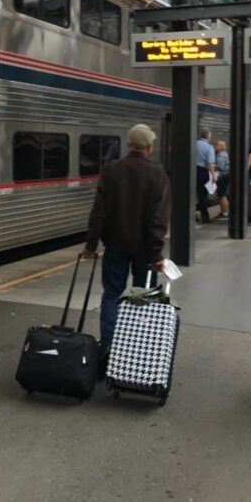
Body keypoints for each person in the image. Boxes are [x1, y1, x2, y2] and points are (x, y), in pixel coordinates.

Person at [83, 124, 171, 366]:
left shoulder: (112, 170)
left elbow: (98, 213)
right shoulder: (157, 175)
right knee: (142, 297)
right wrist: (156, 255)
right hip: (146, 251)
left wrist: (91, 245)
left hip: (116, 247)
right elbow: (158, 220)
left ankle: (107, 350)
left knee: (111, 294)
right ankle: (135, 353)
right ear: (149, 148)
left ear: (129, 145)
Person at [196, 129, 216, 223]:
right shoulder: (209, 147)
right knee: (203, 195)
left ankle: (192, 215)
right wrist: (213, 175)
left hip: (192, 171)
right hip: (203, 172)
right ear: (208, 136)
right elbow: (210, 163)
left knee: (192, 194)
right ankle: (205, 218)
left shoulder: (194, 143)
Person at [214, 139, 230, 222]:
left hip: (223, 176)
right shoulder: (223, 154)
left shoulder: (221, 155)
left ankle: (225, 213)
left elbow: (220, 166)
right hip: (225, 176)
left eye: (217, 145)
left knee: (222, 195)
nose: (215, 146)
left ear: (221, 147)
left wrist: (211, 165)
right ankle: (223, 212)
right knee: (222, 195)